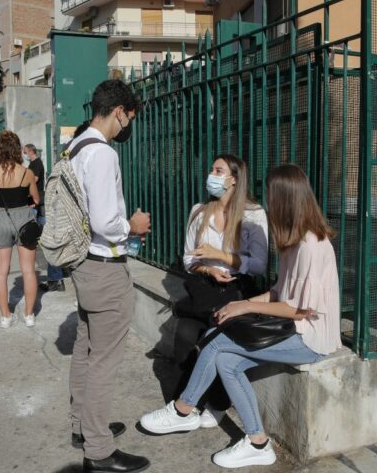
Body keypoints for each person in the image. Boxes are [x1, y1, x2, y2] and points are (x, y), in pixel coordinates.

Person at [139, 164, 342, 469]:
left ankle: (184, 409)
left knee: (216, 342)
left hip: (310, 338)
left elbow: (301, 309)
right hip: (293, 326)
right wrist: (241, 304)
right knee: (226, 360)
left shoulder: (312, 245)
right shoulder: (293, 240)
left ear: (286, 198)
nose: (268, 202)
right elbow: (278, 292)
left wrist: (245, 307)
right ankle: (258, 442)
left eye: (272, 195)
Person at [66, 80, 151, 473]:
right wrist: (132, 226)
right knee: (103, 360)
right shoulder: (101, 154)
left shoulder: (75, 145)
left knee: (85, 350)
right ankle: (98, 450)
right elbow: (104, 221)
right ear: (119, 110)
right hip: (105, 268)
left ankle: (83, 426)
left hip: (83, 265)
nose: (125, 127)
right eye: (127, 118)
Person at [174, 154, 269, 427]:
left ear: (234, 179)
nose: (211, 174)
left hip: (237, 289)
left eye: (218, 170)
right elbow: (189, 260)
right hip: (204, 288)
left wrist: (222, 257)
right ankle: (184, 402)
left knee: (217, 339)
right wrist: (208, 269)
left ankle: (217, 402)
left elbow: (260, 265)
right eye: (211, 168)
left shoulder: (253, 214)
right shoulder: (198, 212)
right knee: (183, 337)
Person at [0, 130, 40, 328]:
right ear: (17, 149)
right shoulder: (27, 172)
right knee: (29, 270)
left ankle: (5, 316)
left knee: (1, 272)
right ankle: (29, 315)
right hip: (23, 218)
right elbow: (36, 199)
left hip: (0, 218)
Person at [23, 143, 65, 292]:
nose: (24, 155)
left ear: (30, 152)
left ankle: (56, 279)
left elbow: (32, 180)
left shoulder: (37, 164)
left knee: (49, 242)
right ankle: (55, 278)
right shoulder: (35, 163)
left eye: (25, 152)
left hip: (39, 204)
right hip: (40, 205)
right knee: (48, 242)